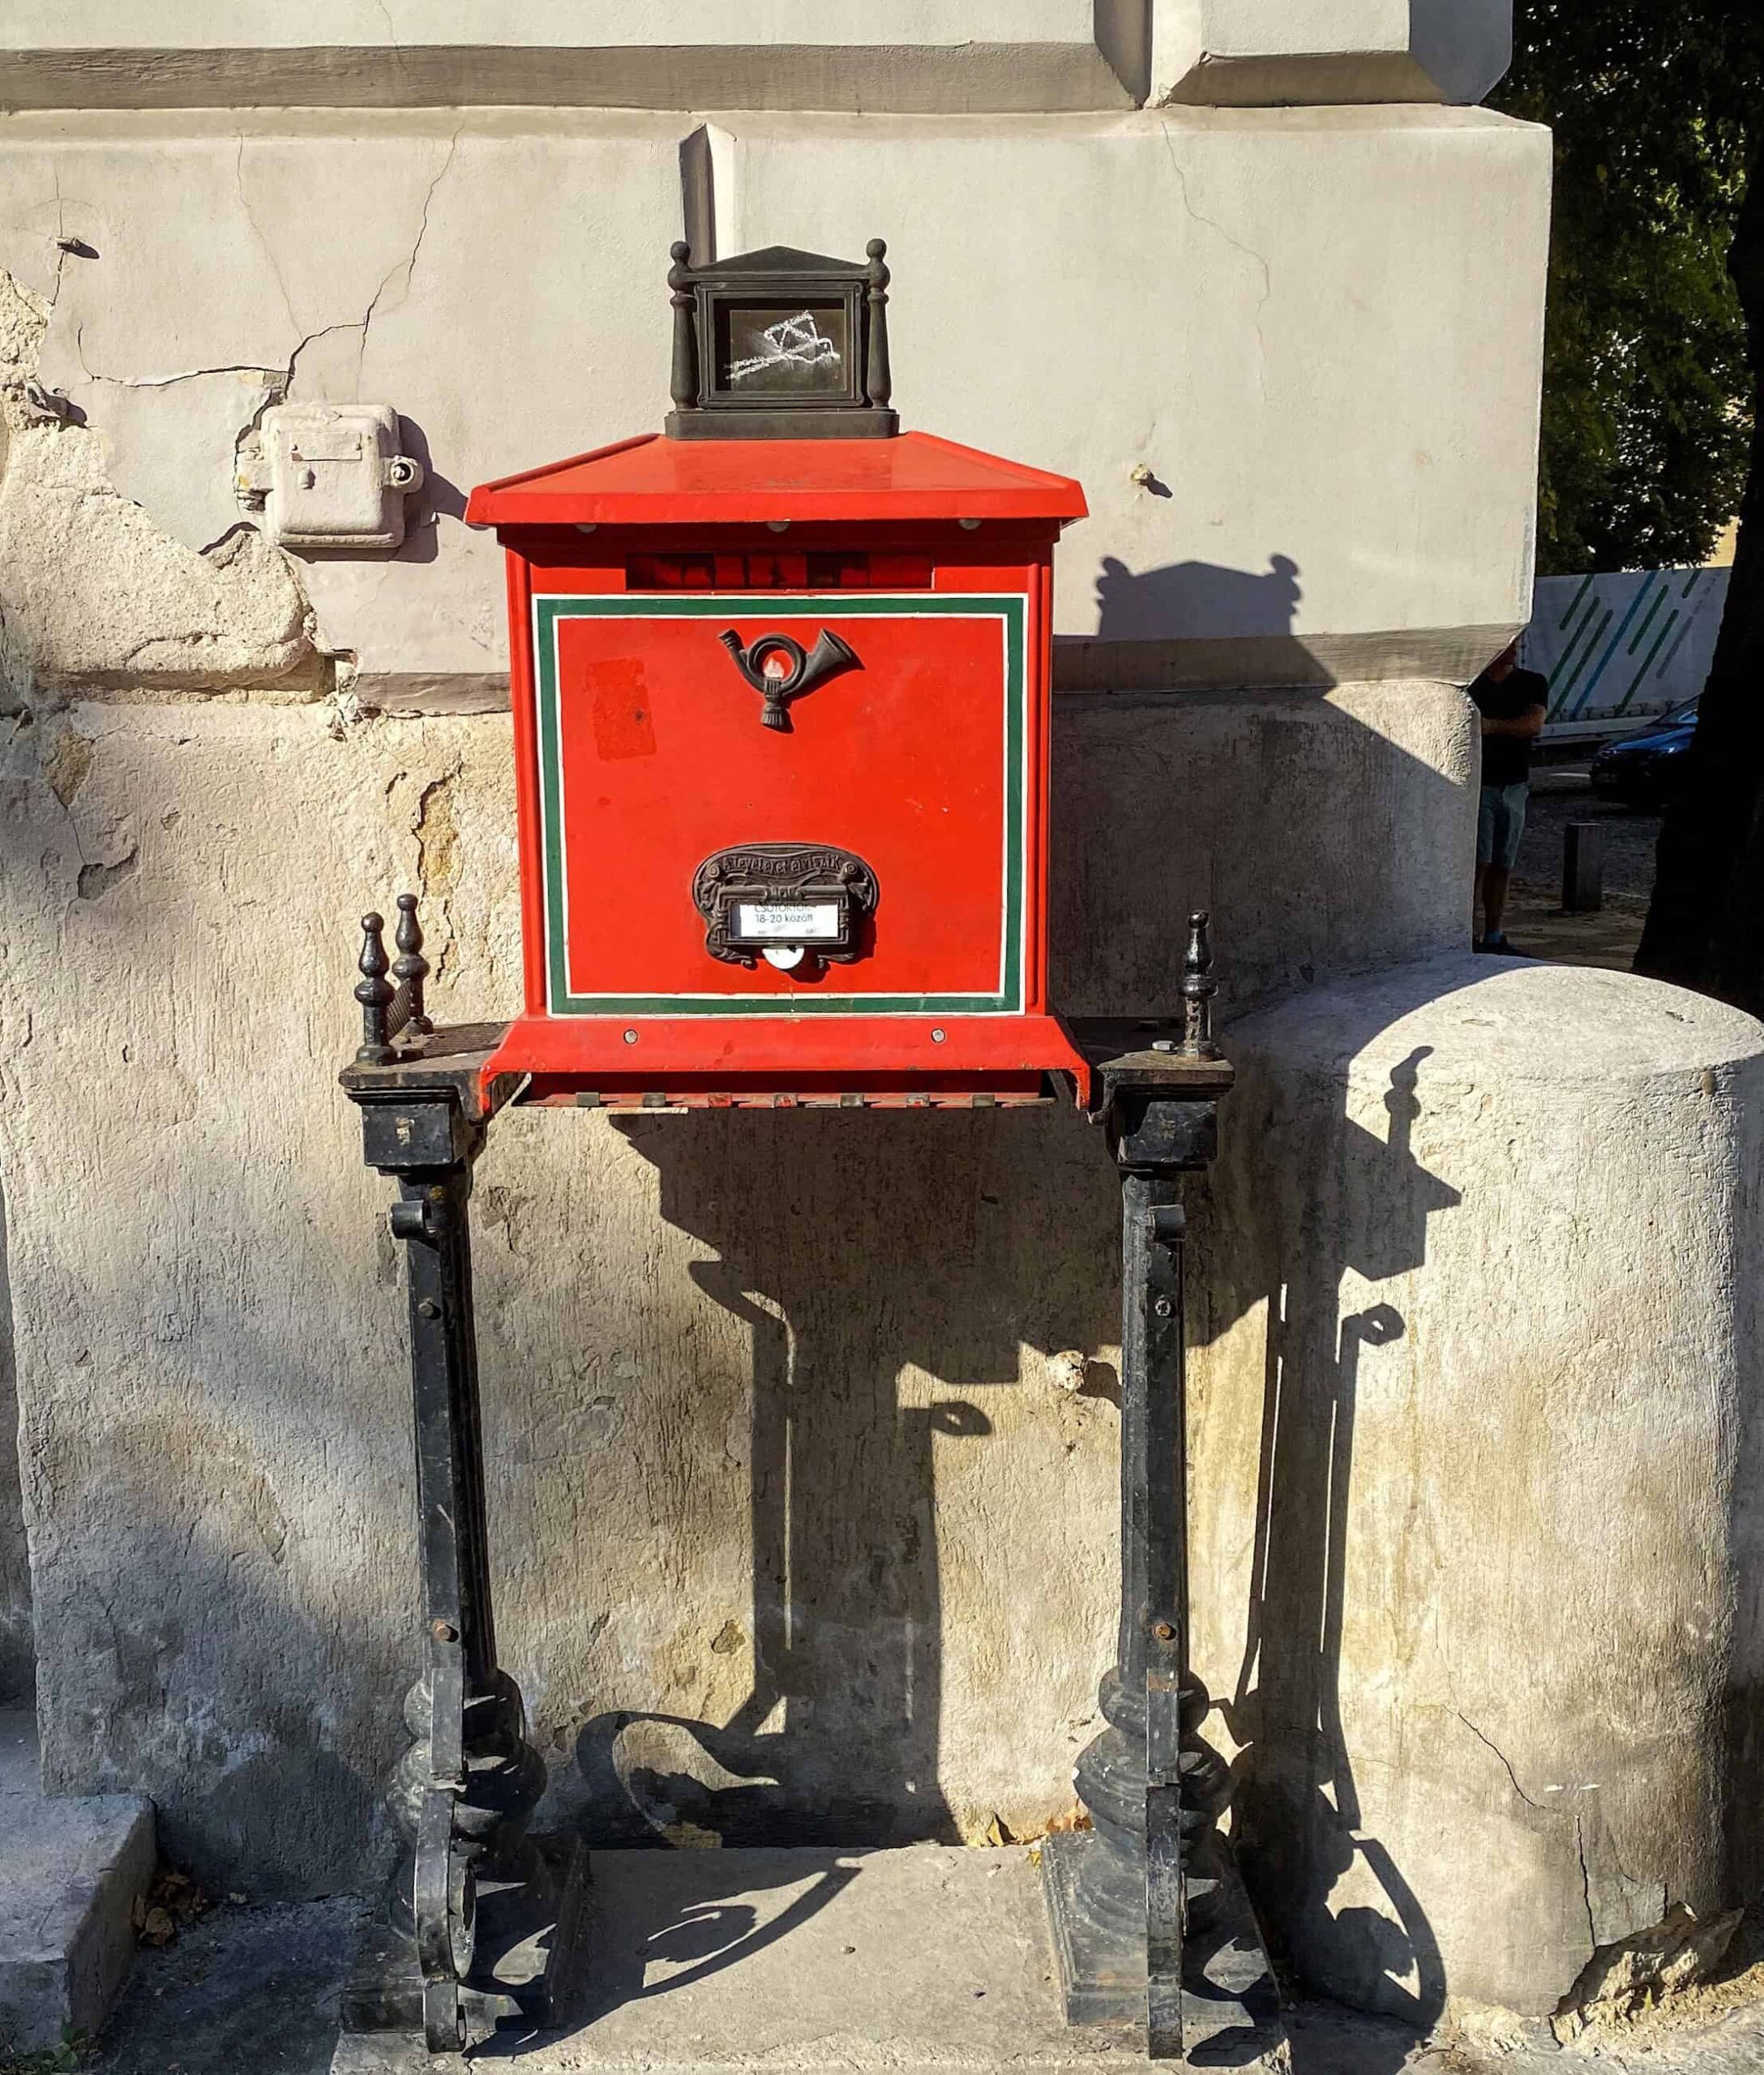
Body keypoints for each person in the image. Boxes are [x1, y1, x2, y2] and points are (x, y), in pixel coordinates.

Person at [1470, 640, 1549, 953]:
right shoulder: (1474, 686)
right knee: (1478, 862)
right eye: (1507, 642)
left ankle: (1494, 933)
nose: (1513, 648)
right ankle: (1467, 933)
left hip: (1514, 784)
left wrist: (1489, 727)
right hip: (1481, 785)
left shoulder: (1531, 682)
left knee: (1503, 862)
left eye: (1517, 642)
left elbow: (1533, 725)